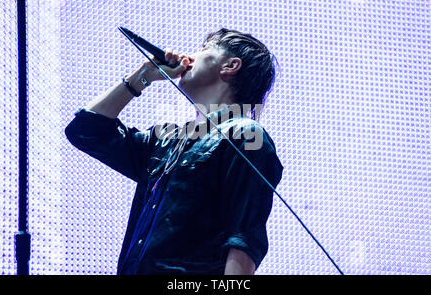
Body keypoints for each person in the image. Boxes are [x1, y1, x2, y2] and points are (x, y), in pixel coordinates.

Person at [65, 28, 283, 275]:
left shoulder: (245, 134)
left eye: (203, 50)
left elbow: (243, 240)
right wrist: (142, 77)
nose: (189, 58)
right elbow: (86, 131)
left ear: (230, 66)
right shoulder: (167, 141)